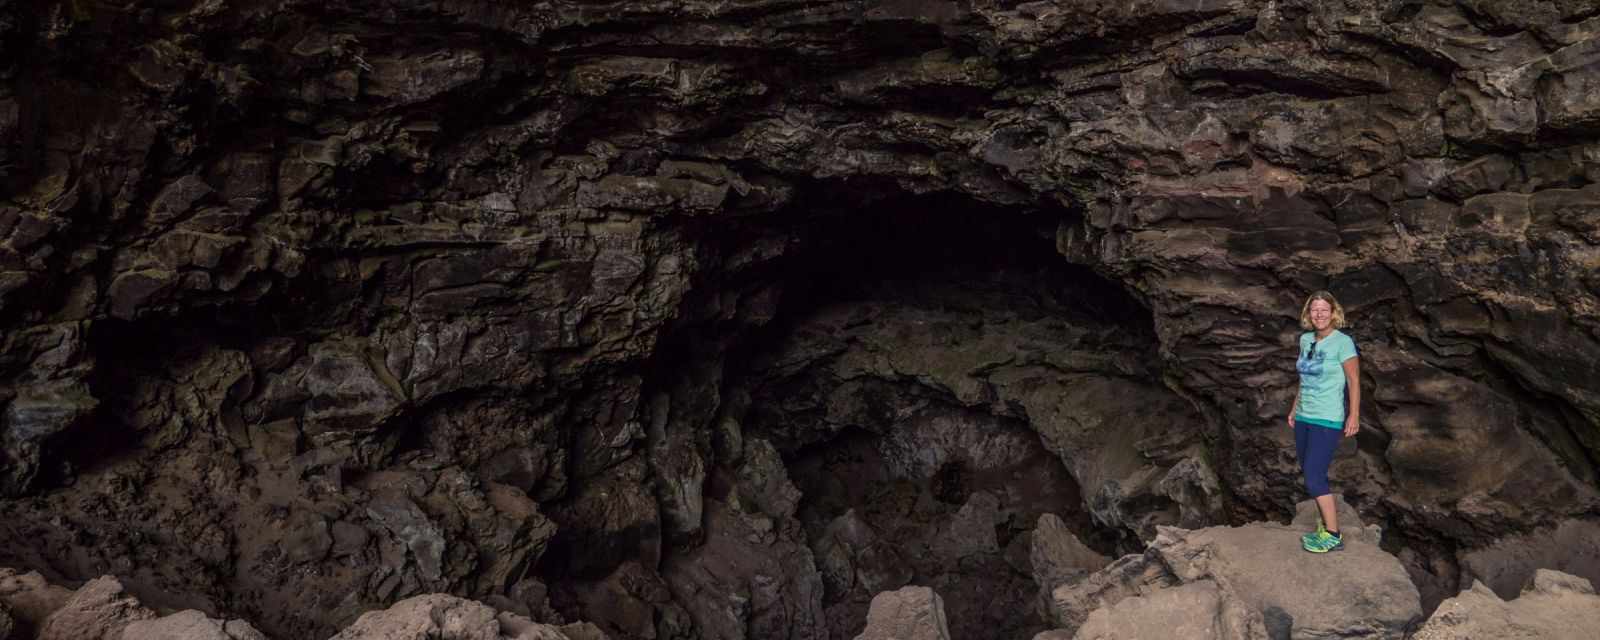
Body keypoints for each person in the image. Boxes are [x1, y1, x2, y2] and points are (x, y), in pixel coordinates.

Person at [1287, 290, 1360, 553]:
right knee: (1308, 471)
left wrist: (1354, 414)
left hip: (1327, 417)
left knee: (1315, 477)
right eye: (1314, 310)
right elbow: (1304, 379)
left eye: (1324, 310)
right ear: (1308, 314)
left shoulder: (1343, 343)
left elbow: (1353, 381)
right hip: (1305, 414)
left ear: (1333, 313)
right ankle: (1324, 527)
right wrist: (1295, 408)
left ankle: (1333, 535)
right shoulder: (1305, 340)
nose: (1319, 314)